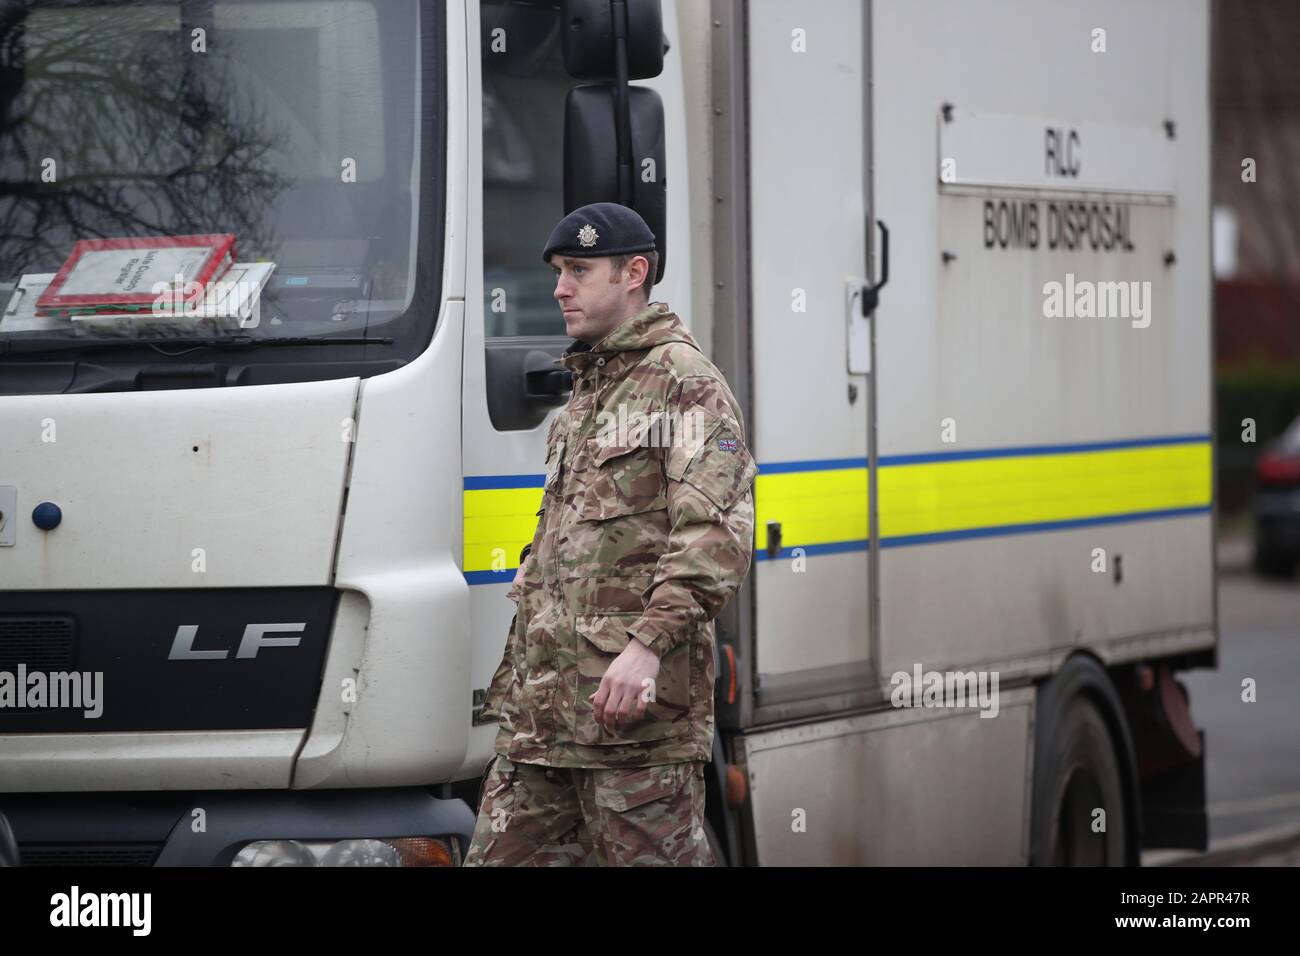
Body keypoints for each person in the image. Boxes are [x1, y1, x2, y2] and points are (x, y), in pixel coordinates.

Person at [464, 202, 756, 866]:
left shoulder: (686, 386)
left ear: (634, 272)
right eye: (558, 272)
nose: (560, 287)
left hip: (632, 731)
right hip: (542, 723)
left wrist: (648, 647)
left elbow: (714, 534)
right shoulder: (585, 396)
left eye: (578, 269)